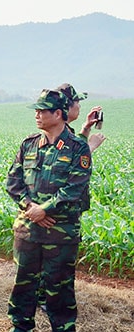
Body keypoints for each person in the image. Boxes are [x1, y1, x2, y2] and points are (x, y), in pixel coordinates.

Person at [0, 89, 92, 332]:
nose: (37, 115)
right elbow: (13, 182)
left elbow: (75, 188)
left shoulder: (77, 147)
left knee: (60, 283)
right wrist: (31, 209)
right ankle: (20, 330)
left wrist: (46, 210)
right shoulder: (29, 144)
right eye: (36, 110)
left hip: (61, 232)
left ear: (58, 114)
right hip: (28, 228)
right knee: (24, 280)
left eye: (43, 110)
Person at [37, 83, 106, 311]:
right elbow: (66, 171)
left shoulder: (67, 134)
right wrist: (91, 147)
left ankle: (48, 297)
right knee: (56, 257)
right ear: (65, 108)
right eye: (77, 103)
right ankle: (48, 300)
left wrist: (85, 129)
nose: (79, 107)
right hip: (57, 209)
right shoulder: (53, 137)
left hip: (56, 208)